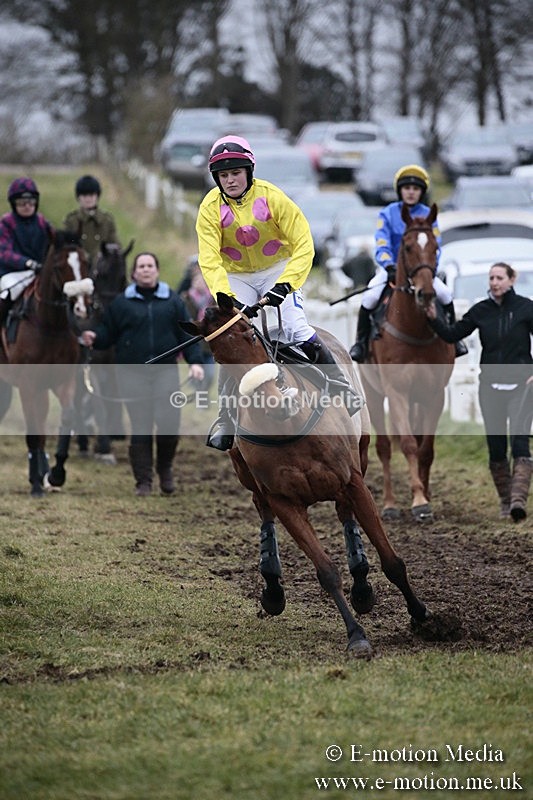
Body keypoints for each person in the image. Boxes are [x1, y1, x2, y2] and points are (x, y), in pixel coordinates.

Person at [196, 135, 360, 451]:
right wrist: (222, 294)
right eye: (224, 175)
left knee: (295, 329)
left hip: (276, 268)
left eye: (235, 173)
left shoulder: (273, 197)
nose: (230, 180)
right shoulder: (209, 208)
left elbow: (303, 244)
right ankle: (226, 419)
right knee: (234, 340)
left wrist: (285, 284)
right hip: (237, 275)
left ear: (249, 171)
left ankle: (341, 386)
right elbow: (209, 256)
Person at [81, 251, 204, 496]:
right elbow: (108, 332)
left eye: (150, 265)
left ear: (157, 271)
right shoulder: (121, 303)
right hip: (132, 373)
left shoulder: (172, 301)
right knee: (141, 425)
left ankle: (165, 470)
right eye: (141, 266)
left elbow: (187, 335)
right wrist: (95, 337)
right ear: (134, 273)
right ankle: (143, 481)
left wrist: (196, 362)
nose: (146, 269)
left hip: (166, 371)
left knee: (169, 423)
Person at [426, 262, 533, 522]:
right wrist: (433, 318)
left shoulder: (526, 308)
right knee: (496, 448)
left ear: (511, 280)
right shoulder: (480, 311)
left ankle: (519, 501)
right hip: (490, 387)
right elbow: (453, 334)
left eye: (499, 278)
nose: (494, 282)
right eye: (491, 278)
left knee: (520, 443)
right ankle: (506, 502)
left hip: (523, 386)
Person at [349, 164, 467, 362]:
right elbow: (382, 243)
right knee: (369, 297)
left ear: (421, 192)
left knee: (446, 295)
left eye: (416, 189)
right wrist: (389, 266)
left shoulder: (429, 214)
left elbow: (435, 246)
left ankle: (454, 341)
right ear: (400, 191)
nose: (411, 192)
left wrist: (429, 270)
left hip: (422, 271)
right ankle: (361, 343)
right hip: (392, 270)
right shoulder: (387, 214)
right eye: (407, 188)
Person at [0, 178, 53, 325]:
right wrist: (27, 263)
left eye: (31, 202)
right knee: (8, 292)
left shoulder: (43, 222)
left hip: (39, 271)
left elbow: (56, 243)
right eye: (22, 203)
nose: (27, 206)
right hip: (13, 273)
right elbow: (4, 253)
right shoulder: (6, 223)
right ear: (14, 204)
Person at [177, 255, 216, 394]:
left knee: (210, 374)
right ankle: (201, 401)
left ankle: (201, 395)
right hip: (193, 340)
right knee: (199, 373)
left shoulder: (213, 298)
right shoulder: (185, 297)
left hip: (209, 343)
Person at [63, 175, 120, 267]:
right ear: (78, 197)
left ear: (97, 196)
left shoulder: (107, 220)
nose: (88, 199)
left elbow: (115, 246)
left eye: (91, 195)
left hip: (102, 270)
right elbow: (66, 248)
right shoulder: (72, 221)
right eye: (84, 195)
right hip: (79, 267)